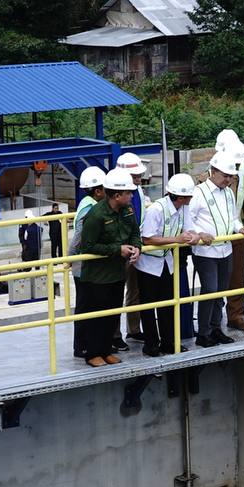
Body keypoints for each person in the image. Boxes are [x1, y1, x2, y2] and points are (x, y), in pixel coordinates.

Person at [187, 151, 244, 347]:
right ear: (213, 172)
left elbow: (232, 217)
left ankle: (216, 328)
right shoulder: (199, 193)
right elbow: (188, 218)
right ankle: (204, 332)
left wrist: (240, 227)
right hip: (206, 251)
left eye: (231, 176)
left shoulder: (228, 193)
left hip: (225, 249)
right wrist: (199, 233)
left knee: (221, 290)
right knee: (210, 290)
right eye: (225, 176)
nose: (228, 179)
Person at [77, 168, 141, 368]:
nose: (132, 196)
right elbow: (87, 247)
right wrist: (117, 249)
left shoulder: (127, 210)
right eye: (128, 193)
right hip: (97, 276)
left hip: (116, 273)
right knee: (97, 315)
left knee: (113, 314)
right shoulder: (96, 215)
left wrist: (136, 248)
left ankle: (106, 350)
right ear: (116, 195)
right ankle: (93, 353)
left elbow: (134, 233)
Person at [134, 173, 198, 357]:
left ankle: (168, 343)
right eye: (189, 195)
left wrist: (194, 236)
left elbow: (189, 228)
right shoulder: (157, 210)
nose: (191, 198)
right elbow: (147, 238)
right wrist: (177, 239)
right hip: (148, 265)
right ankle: (151, 344)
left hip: (165, 263)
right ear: (180, 197)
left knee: (168, 305)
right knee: (148, 306)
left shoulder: (183, 208)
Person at [216, 138, 244, 334]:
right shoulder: (202, 181)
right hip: (213, 239)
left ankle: (235, 315)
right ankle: (212, 324)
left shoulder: (243, 178)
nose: (237, 169)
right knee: (214, 283)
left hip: (237, 235)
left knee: (237, 277)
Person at [71, 166, 106, 359]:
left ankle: (87, 344)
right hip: (83, 264)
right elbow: (78, 236)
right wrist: (71, 257)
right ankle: (81, 346)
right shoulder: (90, 208)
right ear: (97, 190)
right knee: (85, 306)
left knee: (88, 304)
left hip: (84, 264)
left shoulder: (87, 202)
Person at [116, 151, 151, 341]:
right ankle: (114, 335)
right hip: (121, 249)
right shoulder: (116, 196)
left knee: (134, 289)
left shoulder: (137, 191)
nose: (139, 178)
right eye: (135, 175)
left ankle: (134, 329)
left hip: (135, 247)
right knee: (114, 293)